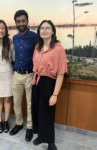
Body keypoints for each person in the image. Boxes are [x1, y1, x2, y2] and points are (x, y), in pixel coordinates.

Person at [31, 20, 68, 150]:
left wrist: (55, 94)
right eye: (42, 28)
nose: (44, 30)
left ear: (53, 31)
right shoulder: (37, 47)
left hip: (49, 84)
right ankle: (41, 136)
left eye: (48, 28)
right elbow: (35, 65)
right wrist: (33, 77)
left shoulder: (59, 49)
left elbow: (61, 74)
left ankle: (51, 142)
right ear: (39, 31)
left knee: (47, 114)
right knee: (37, 111)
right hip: (37, 82)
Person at [9, 10, 38, 142]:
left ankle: (30, 127)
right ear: (15, 23)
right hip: (16, 75)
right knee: (16, 103)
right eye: (18, 21)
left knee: (30, 104)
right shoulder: (14, 38)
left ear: (27, 21)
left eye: (23, 21)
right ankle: (19, 123)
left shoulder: (34, 37)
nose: (21, 23)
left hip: (29, 75)